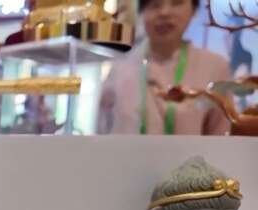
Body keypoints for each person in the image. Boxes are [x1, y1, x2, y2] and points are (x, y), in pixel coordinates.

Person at [98, 0, 231, 135]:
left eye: (176, 3)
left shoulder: (215, 67)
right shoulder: (121, 66)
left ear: (194, 10)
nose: (164, 13)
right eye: (155, 4)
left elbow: (222, 138)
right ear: (141, 12)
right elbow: (102, 132)